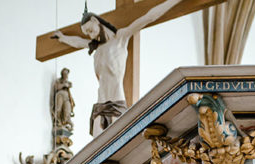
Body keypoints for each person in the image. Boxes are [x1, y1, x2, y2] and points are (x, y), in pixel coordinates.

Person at [52, 2, 197, 135]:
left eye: (90, 30)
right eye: (87, 33)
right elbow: (77, 42)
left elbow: (148, 17)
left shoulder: (120, 38)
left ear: (96, 21)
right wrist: (62, 37)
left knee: (117, 145)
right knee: (95, 153)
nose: (90, 35)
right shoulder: (96, 47)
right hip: (99, 106)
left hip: (116, 103)